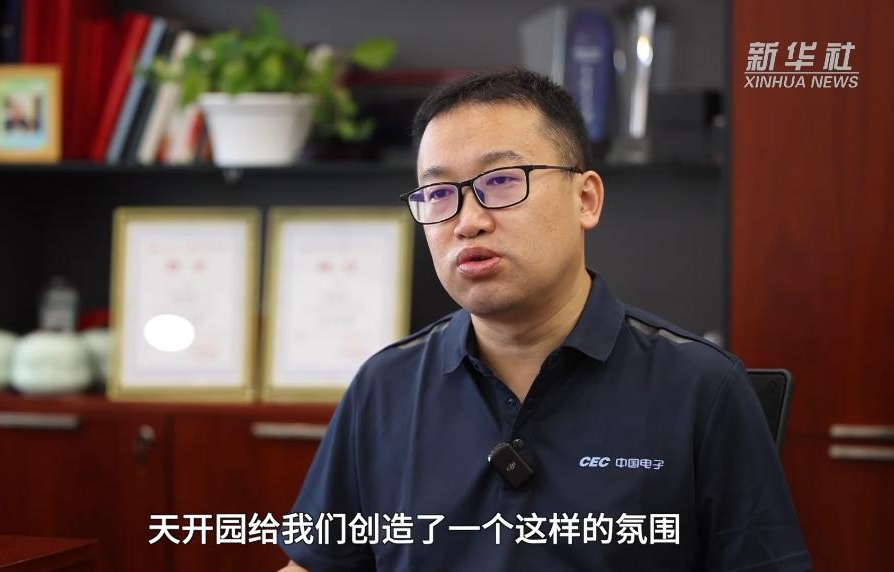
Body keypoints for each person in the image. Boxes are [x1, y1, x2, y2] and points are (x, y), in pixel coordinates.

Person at [277, 68, 810, 571]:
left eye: (502, 181)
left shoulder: (701, 388)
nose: (468, 222)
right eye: (438, 194)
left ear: (586, 199)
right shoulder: (385, 385)